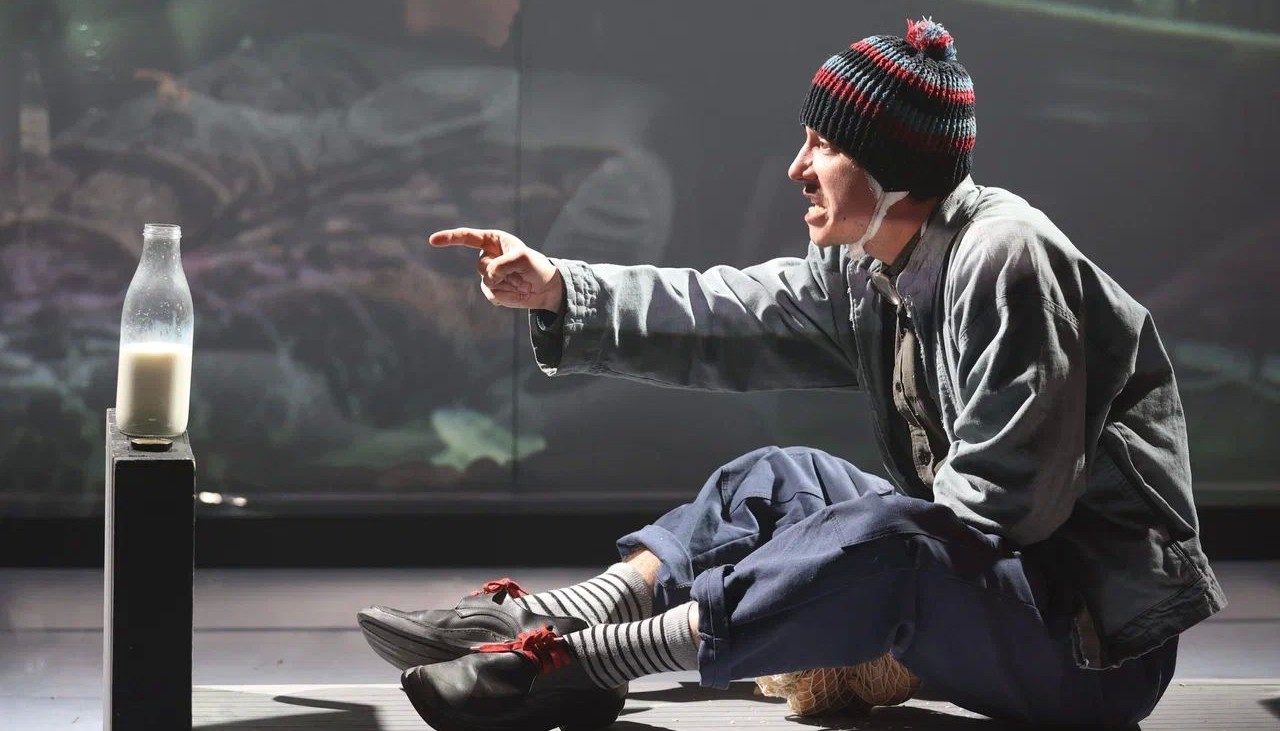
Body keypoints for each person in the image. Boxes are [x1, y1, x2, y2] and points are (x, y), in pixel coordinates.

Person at [357, 17, 1225, 730]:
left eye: (823, 145)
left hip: (1092, 649)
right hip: (1001, 590)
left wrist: (836, 585)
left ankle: (577, 665)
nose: (797, 167)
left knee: (892, 538)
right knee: (776, 476)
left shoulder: (1006, 258)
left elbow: (1000, 510)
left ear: (892, 166)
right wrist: (558, 287)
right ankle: (560, 620)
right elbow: (730, 312)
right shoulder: (874, 264)